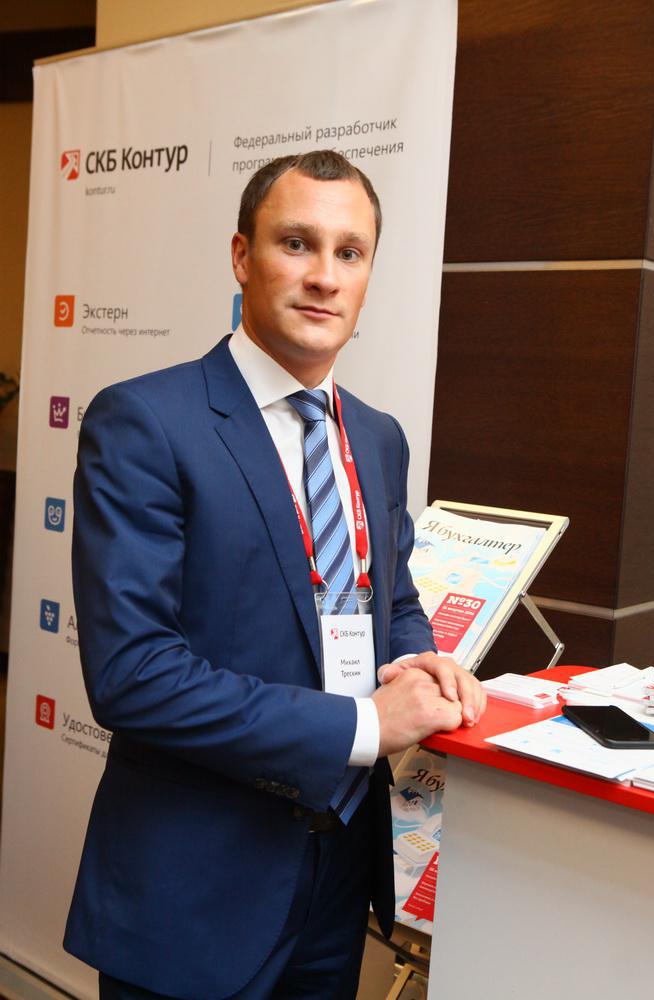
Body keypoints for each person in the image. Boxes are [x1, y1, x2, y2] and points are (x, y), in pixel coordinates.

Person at [64, 150, 486, 1000]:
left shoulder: (378, 436)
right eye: (296, 243)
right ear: (240, 256)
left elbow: (390, 598)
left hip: (337, 875)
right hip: (196, 888)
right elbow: (132, 675)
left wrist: (417, 660)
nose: (324, 276)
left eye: (348, 252)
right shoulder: (146, 422)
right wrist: (364, 725)